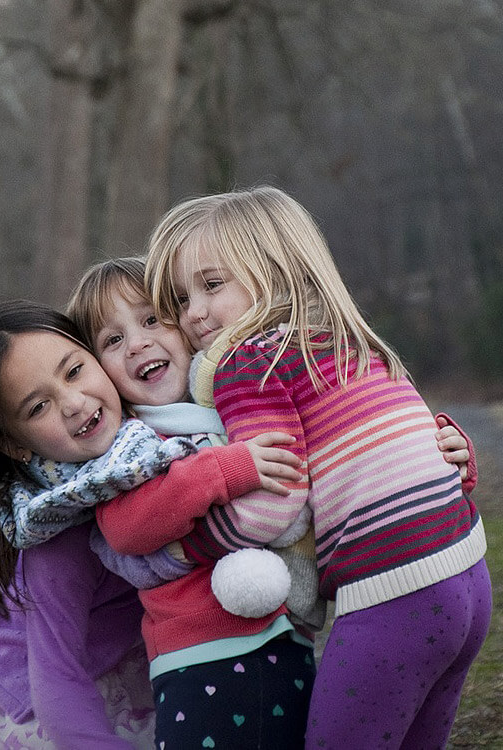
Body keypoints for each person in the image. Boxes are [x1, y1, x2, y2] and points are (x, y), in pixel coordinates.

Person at [66, 256, 475, 750]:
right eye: (112, 340)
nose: (137, 343)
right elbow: (125, 524)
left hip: (290, 639)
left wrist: (445, 450)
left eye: (153, 319)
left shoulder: (237, 399)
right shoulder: (131, 444)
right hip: (202, 652)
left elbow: (342, 449)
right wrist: (225, 470)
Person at [145, 185, 492, 749]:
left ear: (276, 270)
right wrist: (461, 456)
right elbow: (410, 444)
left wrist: (189, 545)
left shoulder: (248, 360)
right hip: (469, 574)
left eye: (212, 285)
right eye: (182, 299)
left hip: (395, 594)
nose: (195, 313)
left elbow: (273, 500)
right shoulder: (348, 340)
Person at [0, 300, 302, 749]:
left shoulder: (142, 449)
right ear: (13, 444)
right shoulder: (56, 531)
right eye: (38, 407)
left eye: (74, 371)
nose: (74, 403)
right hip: (42, 713)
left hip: (129, 664)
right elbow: (56, 682)